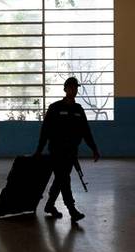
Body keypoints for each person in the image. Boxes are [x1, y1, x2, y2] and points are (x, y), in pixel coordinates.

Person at [35, 77, 100, 221]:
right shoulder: (55, 107)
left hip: (71, 152)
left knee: (60, 179)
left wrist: (94, 149)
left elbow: (86, 131)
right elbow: (45, 130)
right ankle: (71, 209)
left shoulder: (78, 110)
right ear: (65, 89)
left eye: (75, 88)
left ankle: (50, 205)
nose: (74, 90)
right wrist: (39, 150)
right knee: (64, 178)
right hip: (57, 151)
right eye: (71, 87)